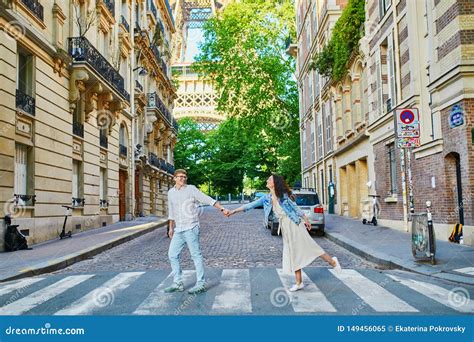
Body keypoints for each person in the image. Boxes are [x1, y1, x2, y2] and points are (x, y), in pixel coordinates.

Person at [227, 174, 341, 292]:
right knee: (293, 252)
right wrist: (233, 211)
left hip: (294, 224)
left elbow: (295, 207)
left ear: (274, 183)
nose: (267, 180)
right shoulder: (266, 198)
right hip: (285, 227)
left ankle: (333, 262)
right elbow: (250, 205)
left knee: (310, 247)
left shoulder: (283, 196)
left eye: (269, 179)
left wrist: (305, 219)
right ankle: (299, 282)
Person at [165, 169, 230, 294]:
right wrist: (171, 227)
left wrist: (222, 209)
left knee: (196, 255)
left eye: (184, 177)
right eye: (180, 177)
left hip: (191, 227)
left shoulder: (191, 189)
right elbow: (171, 211)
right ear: (174, 178)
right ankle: (178, 283)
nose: (182, 179)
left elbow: (207, 199)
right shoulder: (171, 192)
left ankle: (201, 283)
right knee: (172, 254)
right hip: (179, 229)